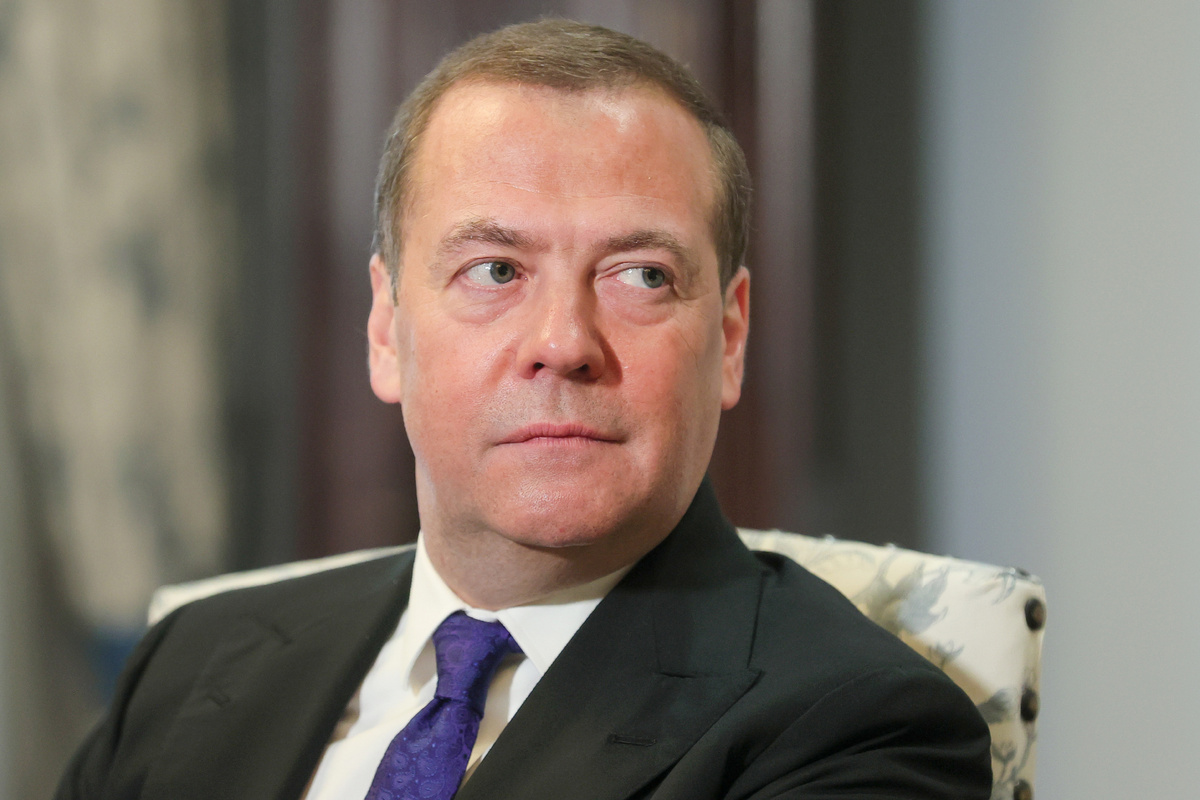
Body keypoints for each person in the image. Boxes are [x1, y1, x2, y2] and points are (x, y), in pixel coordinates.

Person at [56, 19, 991, 800]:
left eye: (641, 275)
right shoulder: (194, 661)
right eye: (495, 269)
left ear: (731, 336)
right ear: (385, 329)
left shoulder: (860, 728)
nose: (564, 341)